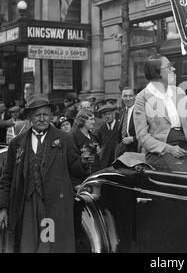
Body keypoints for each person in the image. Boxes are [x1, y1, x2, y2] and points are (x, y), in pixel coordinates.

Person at [0, 94, 84, 252]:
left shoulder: (65, 139)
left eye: (46, 115)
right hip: (26, 206)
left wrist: (86, 161)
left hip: (52, 207)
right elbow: (6, 178)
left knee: (48, 245)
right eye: (38, 115)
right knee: (27, 247)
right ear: (30, 117)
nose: (42, 119)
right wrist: (3, 207)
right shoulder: (17, 143)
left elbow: (76, 170)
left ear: (51, 116)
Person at [134, 54, 187, 172]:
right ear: (157, 73)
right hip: (160, 152)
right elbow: (142, 136)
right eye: (169, 67)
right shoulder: (142, 97)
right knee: (180, 177)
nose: (174, 69)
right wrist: (168, 149)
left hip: (185, 148)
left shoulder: (179, 92)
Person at [71, 110, 101, 186]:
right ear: (82, 120)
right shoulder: (73, 137)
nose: (94, 122)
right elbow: (71, 163)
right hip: (80, 181)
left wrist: (98, 152)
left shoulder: (93, 137)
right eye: (91, 119)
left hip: (94, 178)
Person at [116, 87, 139, 158]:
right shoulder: (121, 112)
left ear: (135, 97)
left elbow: (148, 131)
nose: (128, 99)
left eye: (130, 96)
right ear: (121, 98)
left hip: (137, 149)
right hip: (123, 150)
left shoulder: (140, 111)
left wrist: (133, 139)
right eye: (125, 96)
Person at [95, 104, 120, 169]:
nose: (107, 116)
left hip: (118, 159)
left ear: (114, 114)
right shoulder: (100, 129)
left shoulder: (120, 126)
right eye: (104, 115)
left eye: (109, 114)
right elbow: (98, 143)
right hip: (105, 162)